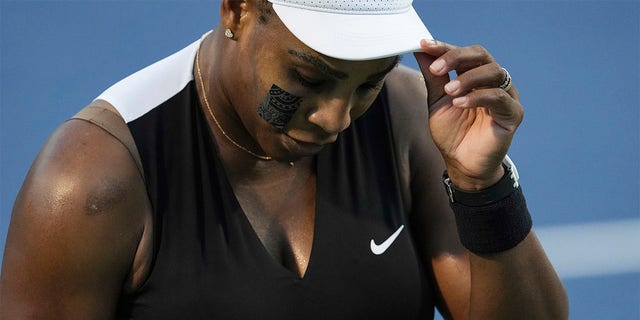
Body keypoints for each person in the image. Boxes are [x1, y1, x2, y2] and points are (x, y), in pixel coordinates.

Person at [0, 0, 568, 319]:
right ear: (238, 9)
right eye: (307, 77)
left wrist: (481, 185)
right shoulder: (94, 182)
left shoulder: (400, 115)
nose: (336, 118)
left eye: (366, 81)